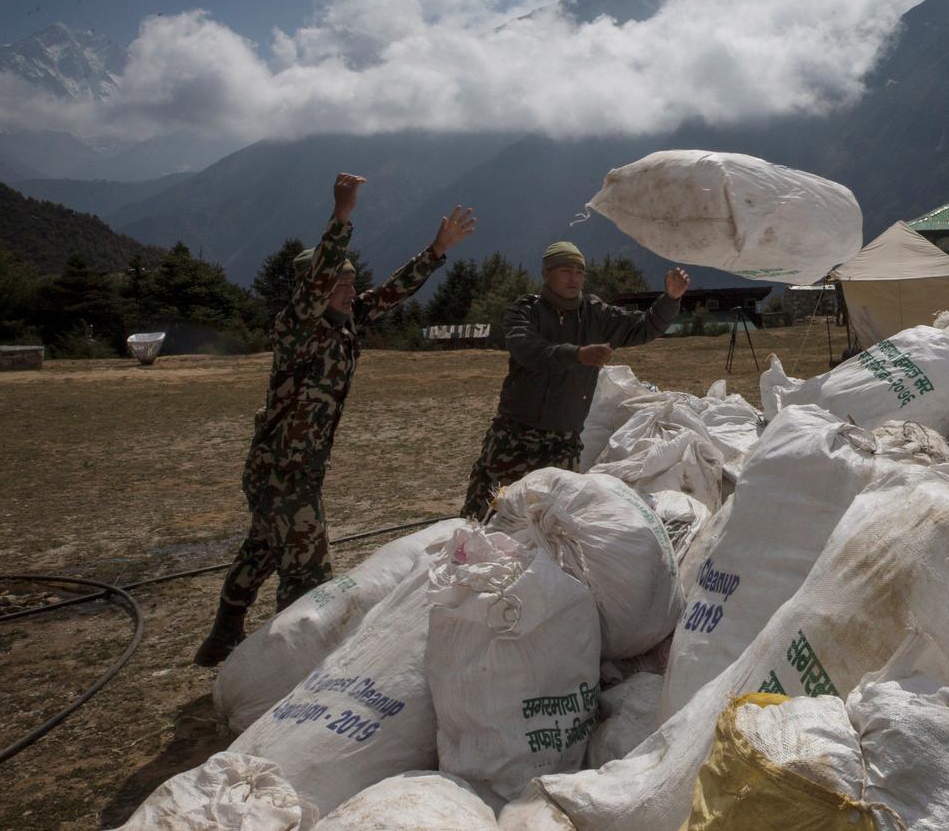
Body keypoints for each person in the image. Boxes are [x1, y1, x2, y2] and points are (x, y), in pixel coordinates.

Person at [194, 172, 476, 667]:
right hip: (282, 472)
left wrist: (435, 250)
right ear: (314, 290)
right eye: (337, 284)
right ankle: (295, 672)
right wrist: (340, 219)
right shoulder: (297, 328)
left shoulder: (346, 321)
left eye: (351, 282)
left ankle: (223, 633)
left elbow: (392, 292)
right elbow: (316, 283)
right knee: (307, 576)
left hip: (293, 471)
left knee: (263, 546)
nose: (349, 291)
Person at [459, 243, 689, 519]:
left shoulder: (596, 313)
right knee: (488, 511)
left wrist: (670, 299)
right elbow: (529, 351)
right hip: (514, 437)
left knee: (549, 520)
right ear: (546, 274)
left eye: (579, 272)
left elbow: (642, 328)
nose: (574, 278)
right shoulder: (525, 311)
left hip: (563, 442)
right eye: (566, 271)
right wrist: (577, 354)